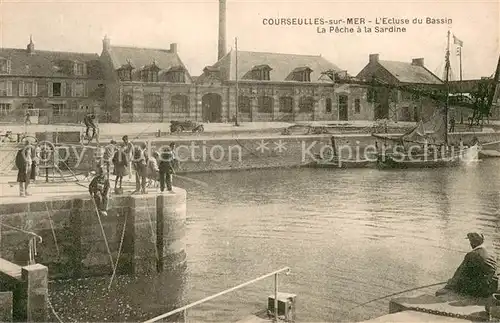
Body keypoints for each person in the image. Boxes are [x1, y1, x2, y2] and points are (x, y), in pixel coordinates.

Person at [436, 232, 498, 298]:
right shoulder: (490, 253)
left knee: (439, 293)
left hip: (483, 289)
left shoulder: (472, 254)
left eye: (470, 241)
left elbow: (460, 273)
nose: (470, 243)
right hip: (493, 286)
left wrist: (449, 285)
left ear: (473, 243)